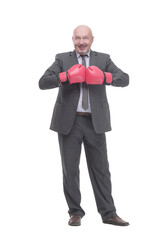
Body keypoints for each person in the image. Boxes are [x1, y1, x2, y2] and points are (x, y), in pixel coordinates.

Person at [39, 25, 129, 227]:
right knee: (70, 170)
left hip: (95, 122)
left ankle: (108, 213)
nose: (81, 42)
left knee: (101, 170)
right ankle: (75, 212)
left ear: (92, 39)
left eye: (85, 38)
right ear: (72, 40)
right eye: (77, 38)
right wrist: (66, 77)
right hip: (68, 123)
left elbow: (125, 79)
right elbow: (43, 82)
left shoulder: (103, 59)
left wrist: (106, 77)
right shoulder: (62, 58)